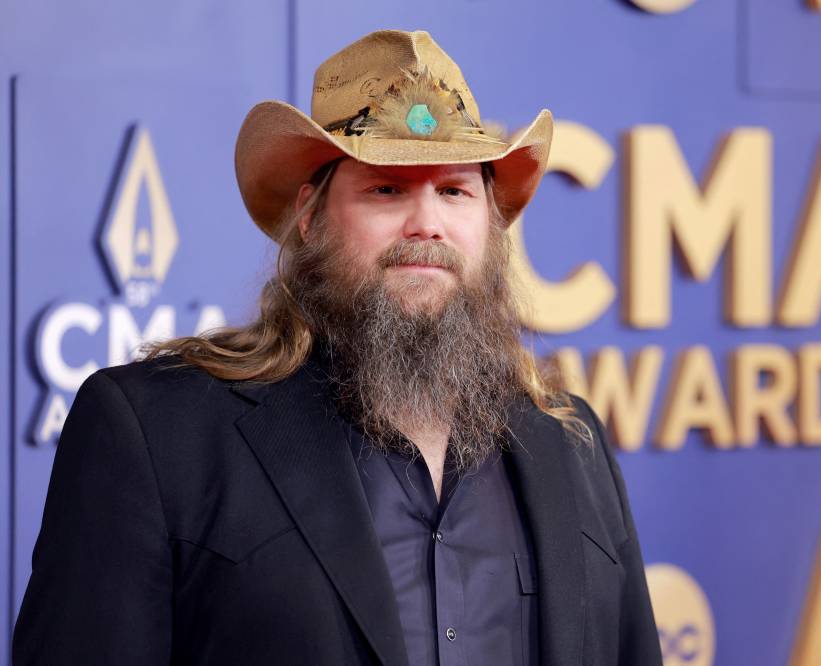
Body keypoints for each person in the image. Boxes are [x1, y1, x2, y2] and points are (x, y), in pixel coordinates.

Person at [12, 29, 660, 665]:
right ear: (311, 217)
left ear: (491, 225)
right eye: (387, 188)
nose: (427, 224)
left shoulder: (571, 441)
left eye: (455, 191)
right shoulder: (158, 434)